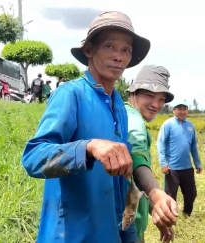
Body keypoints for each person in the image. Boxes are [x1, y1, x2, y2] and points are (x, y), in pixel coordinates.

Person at [21, 11, 174, 243]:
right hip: (70, 234)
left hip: (110, 230)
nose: (119, 56)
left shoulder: (118, 106)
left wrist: (155, 194)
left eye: (126, 50)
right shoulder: (70, 95)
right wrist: (89, 147)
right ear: (89, 50)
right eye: (109, 46)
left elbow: (129, 159)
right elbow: (33, 157)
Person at [125, 65, 178, 243]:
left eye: (161, 99)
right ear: (134, 93)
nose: (156, 105)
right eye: (149, 95)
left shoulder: (125, 113)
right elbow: (137, 156)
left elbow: (131, 177)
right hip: (127, 226)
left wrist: (154, 207)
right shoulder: (134, 121)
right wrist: (157, 195)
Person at [157, 100, 202, 217]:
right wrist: (163, 163)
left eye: (184, 109)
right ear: (174, 110)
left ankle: (187, 215)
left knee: (191, 194)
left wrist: (198, 163)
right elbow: (160, 144)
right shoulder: (168, 124)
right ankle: (170, 218)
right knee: (170, 196)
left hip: (187, 167)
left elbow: (193, 147)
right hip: (172, 168)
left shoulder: (190, 126)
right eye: (179, 109)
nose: (182, 111)